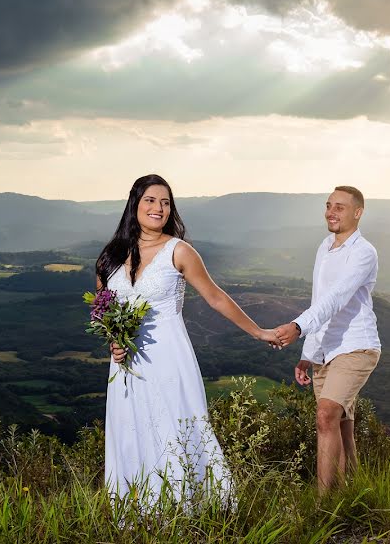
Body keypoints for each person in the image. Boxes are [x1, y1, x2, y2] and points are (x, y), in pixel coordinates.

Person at [100, 174, 277, 508]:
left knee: (173, 430)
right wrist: (113, 342)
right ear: (134, 203)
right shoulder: (110, 255)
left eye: (165, 202)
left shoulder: (179, 251)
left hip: (168, 357)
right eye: (151, 200)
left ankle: (187, 512)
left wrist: (259, 331)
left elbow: (216, 297)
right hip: (124, 366)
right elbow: (103, 309)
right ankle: (138, 513)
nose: (159, 208)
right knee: (131, 431)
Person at [272, 185, 380, 493]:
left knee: (325, 415)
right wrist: (309, 353)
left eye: (340, 207)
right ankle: (354, 497)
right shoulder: (324, 246)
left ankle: (322, 507)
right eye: (329, 205)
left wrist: (297, 326)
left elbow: (336, 298)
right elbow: (318, 298)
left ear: (358, 213)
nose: (331, 212)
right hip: (325, 350)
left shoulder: (363, 253)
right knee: (342, 428)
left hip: (356, 346)